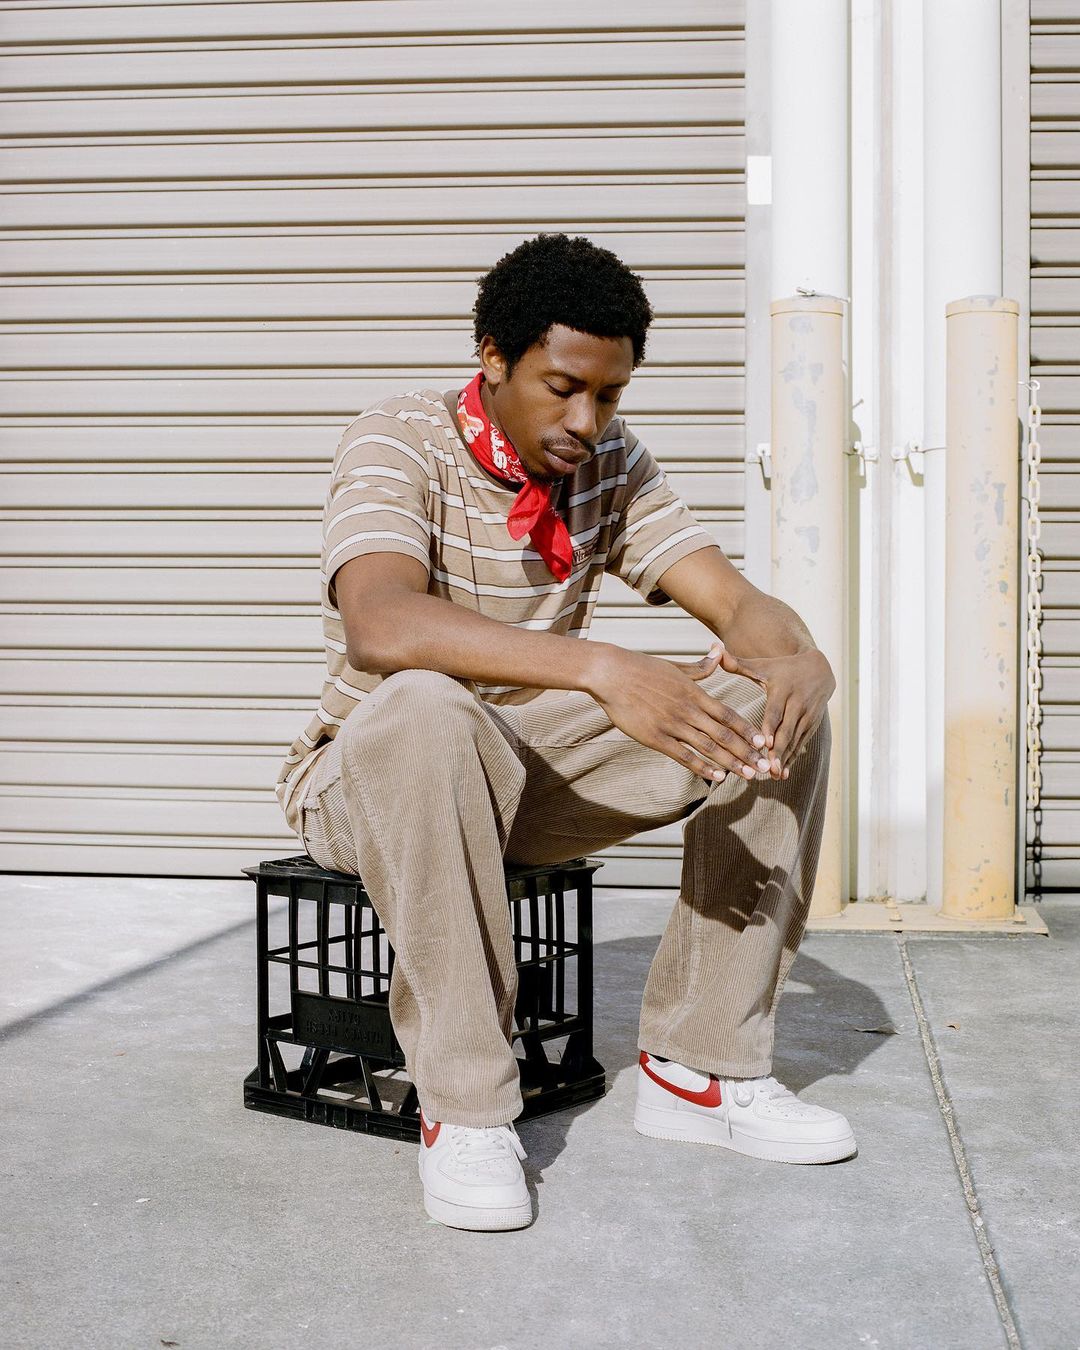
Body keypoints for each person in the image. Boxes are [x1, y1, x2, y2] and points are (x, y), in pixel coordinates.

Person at [276, 232, 855, 1233]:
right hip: (372, 778)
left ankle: (702, 1068)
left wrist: (801, 656)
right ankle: (466, 1109)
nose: (587, 420)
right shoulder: (398, 437)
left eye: (611, 396)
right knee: (427, 704)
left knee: (768, 704)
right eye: (563, 388)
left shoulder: (609, 465)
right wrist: (600, 666)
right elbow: (380, 623)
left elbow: (737, 606)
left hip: (522, 773)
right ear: (493, 358)